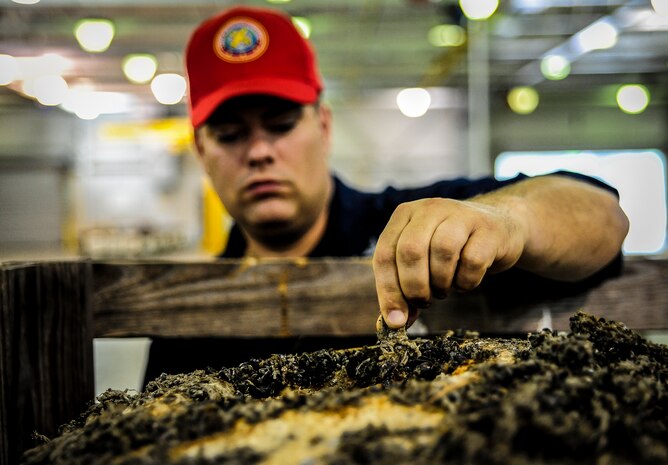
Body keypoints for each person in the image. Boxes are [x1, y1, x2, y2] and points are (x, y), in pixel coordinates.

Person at [143, 5, 628, 384]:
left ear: (324, 126)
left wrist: (508, 220)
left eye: (281, 124)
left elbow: (602, 215)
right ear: (202, 151)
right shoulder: (186, 313)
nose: (259, 152)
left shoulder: (418, 227)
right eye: (229, 134)